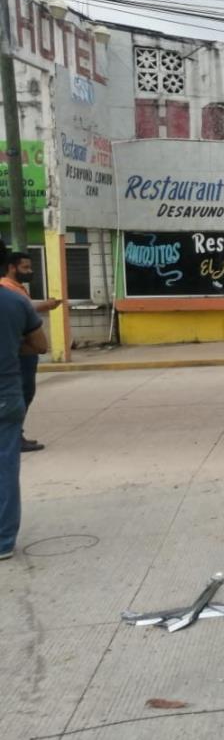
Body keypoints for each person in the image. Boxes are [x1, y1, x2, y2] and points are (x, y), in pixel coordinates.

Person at [0, 240, 49, 561]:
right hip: (6, 393)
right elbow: (40, 344)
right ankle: (3, 540)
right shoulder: (14, 302)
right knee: (5, 465)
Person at [1, 252, 61, 452]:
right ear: (11, 267)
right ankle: (14, 437)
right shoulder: (8, 289)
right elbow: (23, 313)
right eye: (25, 268)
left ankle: (17, 435)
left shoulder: (17, 289)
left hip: (26, 350)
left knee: (25, 394)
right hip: (21, 352)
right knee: (19, 395)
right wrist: (47, 305)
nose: (30, 272)